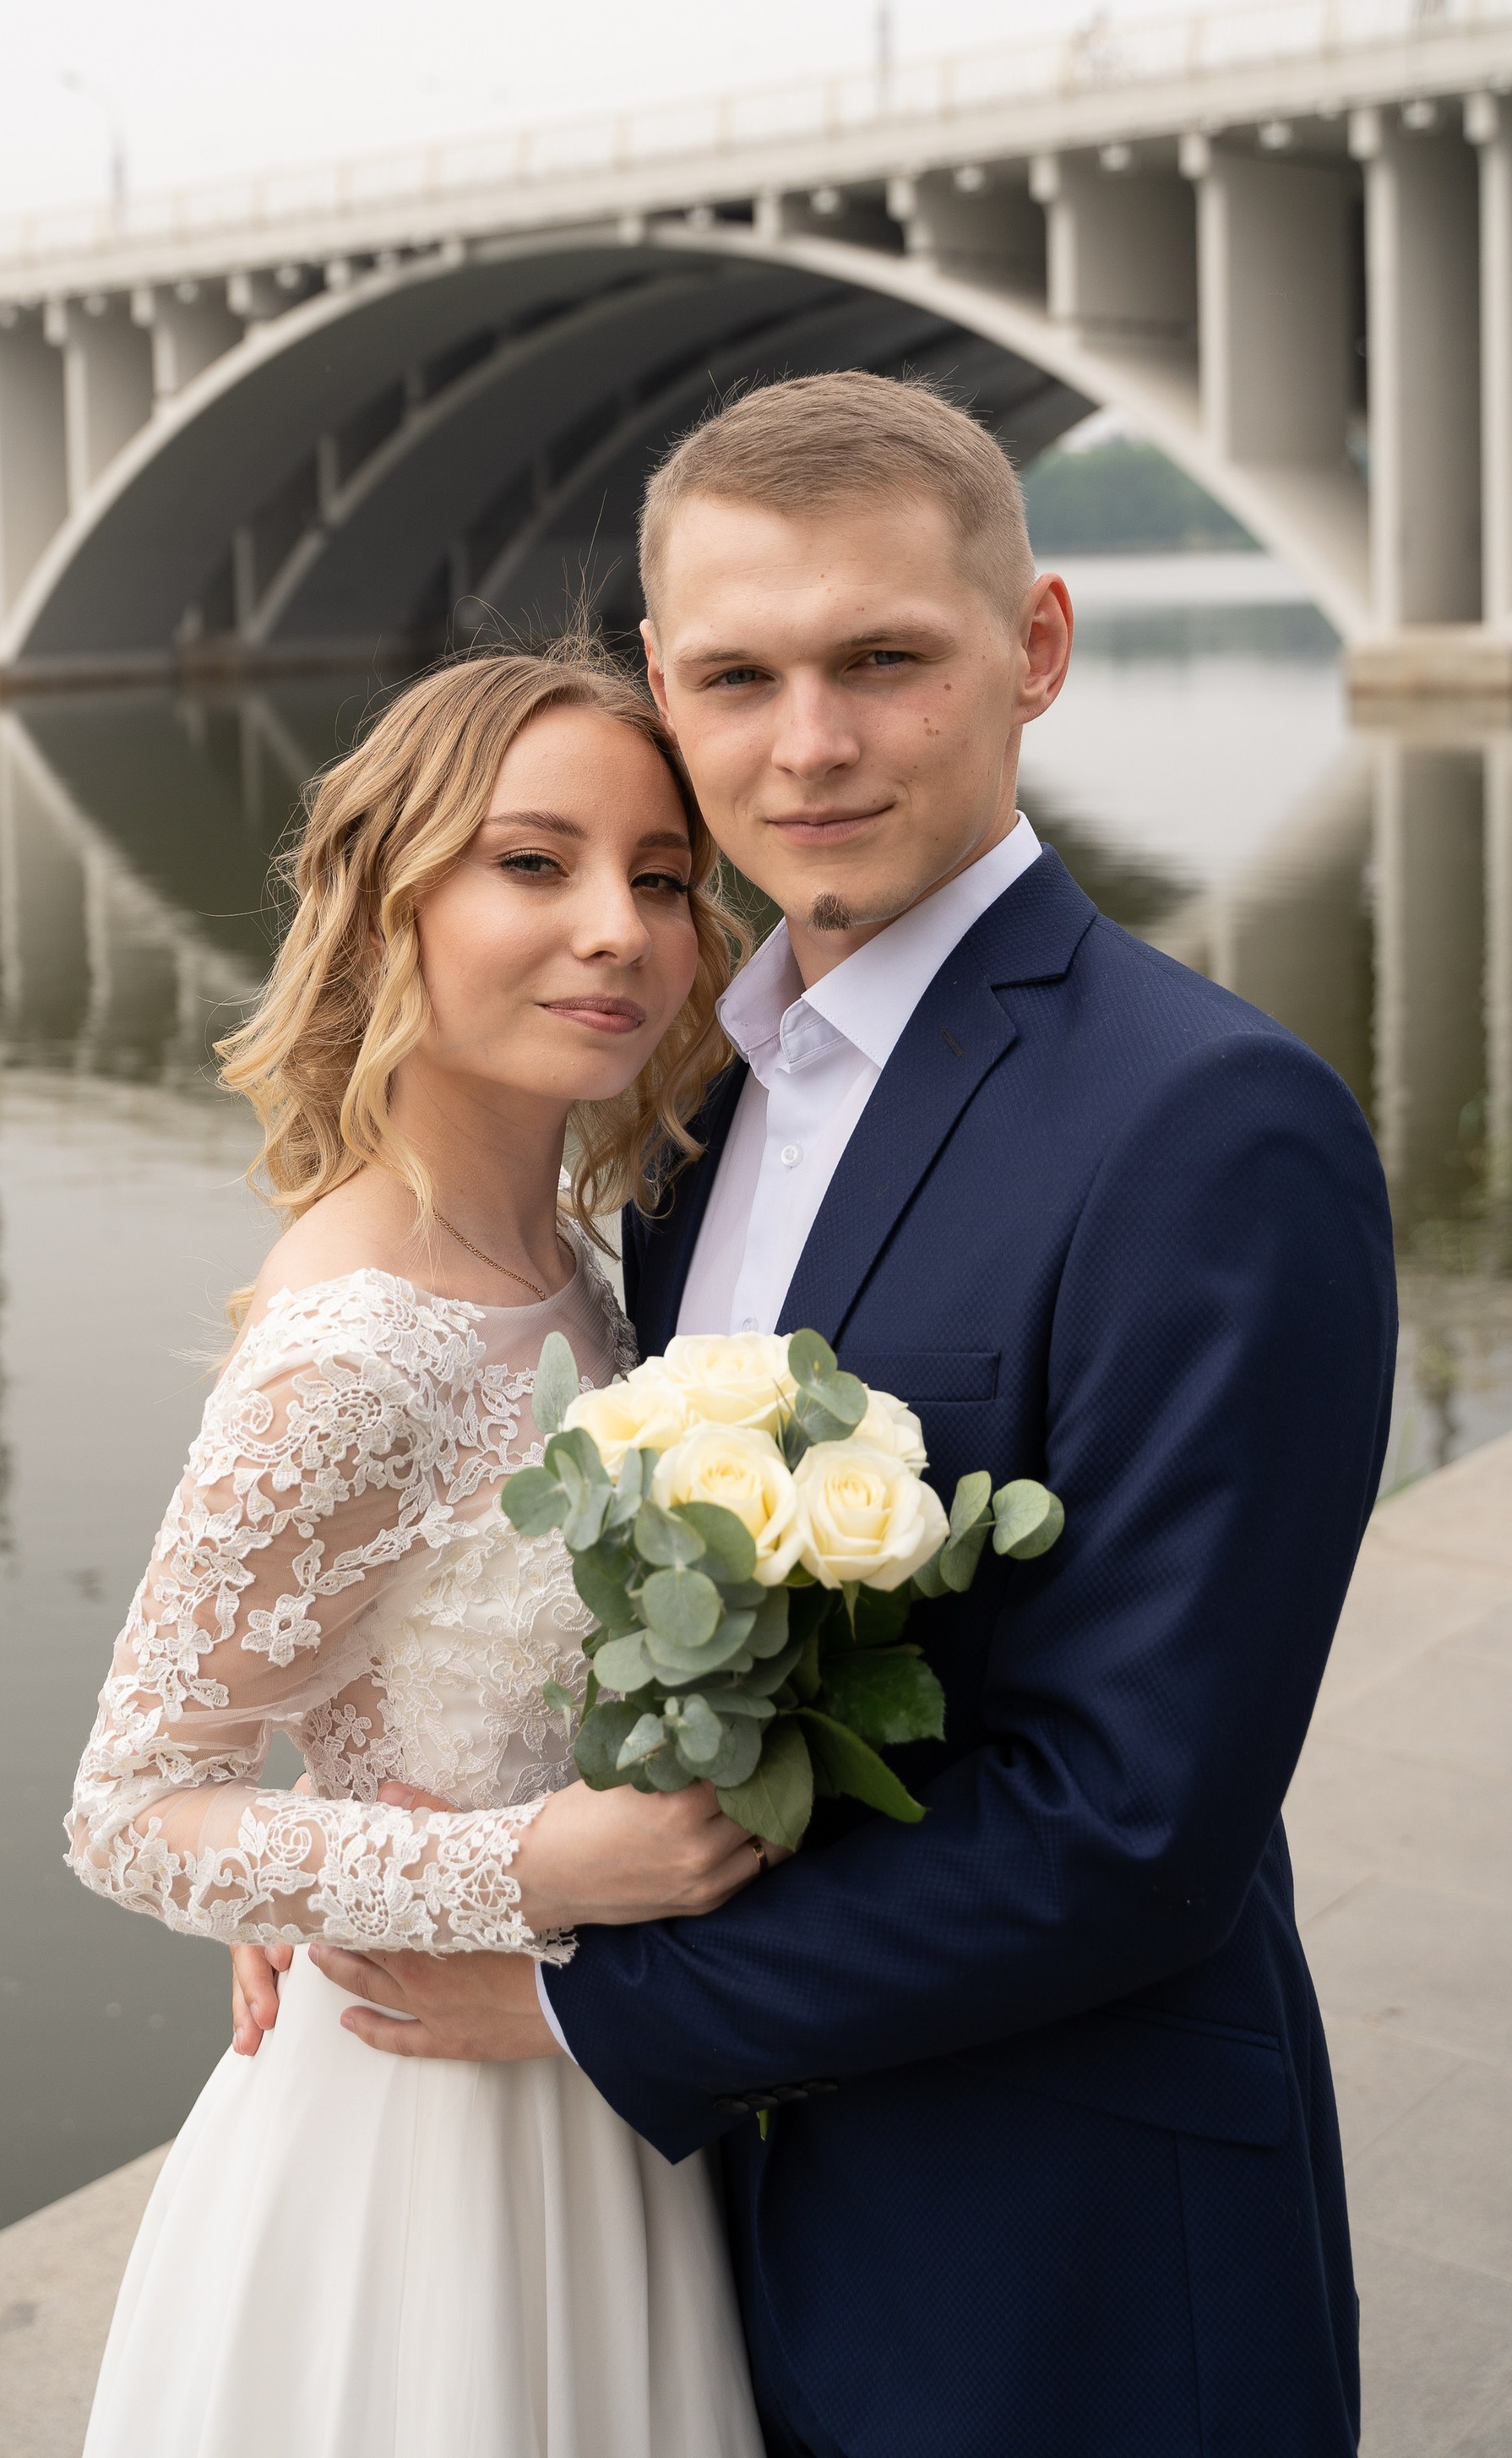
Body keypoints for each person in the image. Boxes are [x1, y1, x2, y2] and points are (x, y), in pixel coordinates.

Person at [277, 373, 1397, 2458]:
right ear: (660, 691)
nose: (806, 745)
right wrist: (365, 1865)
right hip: (707, 2246)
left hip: (1047, 2260)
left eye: (883, 659)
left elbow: (1135, 1827)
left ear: (1032, 648)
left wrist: (566, 2000)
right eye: (737, 675)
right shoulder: (693, 1102)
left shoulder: (1204, 1126)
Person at [66, 641, 777, 2458]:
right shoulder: (352, 1347)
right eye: (530, 864)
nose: (615, 927)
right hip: (413, 2130)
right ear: (388, 907)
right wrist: (521, 1866)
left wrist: (325, 1864)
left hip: (587, 2083)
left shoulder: (587, 1265)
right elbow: (135, 1809)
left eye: (662, 876)